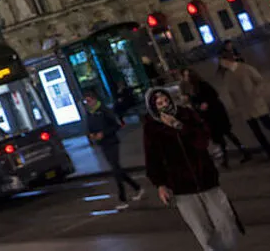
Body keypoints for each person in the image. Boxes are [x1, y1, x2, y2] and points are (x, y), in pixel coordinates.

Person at [143, 87, 243, 251]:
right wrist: (160, 184)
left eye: (166, 101)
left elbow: (203, 140)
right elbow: (152, 158)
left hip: (206, 178)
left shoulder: (185, 114)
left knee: (225, 220)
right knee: (202, 230)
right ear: (152, 107)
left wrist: (180, 126)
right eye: (159, 103)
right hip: (182, 186)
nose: (164, 106)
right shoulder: (151, 127)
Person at [219, 51, 270, 160]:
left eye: (223, 61)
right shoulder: (228, 75)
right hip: (244, 107)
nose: (222, 64)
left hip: (255, 103)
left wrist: (256, 93)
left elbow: (260, 81)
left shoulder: (246, 68)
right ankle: (269, 151)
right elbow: (231, 91)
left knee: (268, 124)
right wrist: (236, 104)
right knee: (256, 131)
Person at [83, 89, 144, 208]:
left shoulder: (105, 110)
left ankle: (123, 199)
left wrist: (104, 133)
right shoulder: (90, 113)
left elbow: (116, 125)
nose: (88, 103)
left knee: (116, 169)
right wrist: (91, 135)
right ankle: (137, 187)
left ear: (95, 99)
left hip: (111, 142)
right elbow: (89, 128)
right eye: (86, 102)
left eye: (89, 101)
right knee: (117, 169)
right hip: (103, 144)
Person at [182, 68, 250, 167]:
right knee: (221, 137)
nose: (185, 78)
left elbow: (213, 95)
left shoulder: (202, 85)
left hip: (216, 115)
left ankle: (240, 152)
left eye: (186, 76)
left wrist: (206, 103)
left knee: (225, 134)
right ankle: (231, 156)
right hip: (209, 116)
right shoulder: (193, 88)